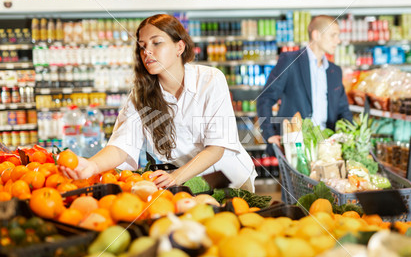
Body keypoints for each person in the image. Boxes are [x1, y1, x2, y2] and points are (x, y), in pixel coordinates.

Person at [60, 14, 256, 192]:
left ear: (179, 47)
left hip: (230, 178)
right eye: (143, 45)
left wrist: (175, 176)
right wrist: (92, 166)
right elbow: (122, 145)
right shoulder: (141, 94)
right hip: (188, 181)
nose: (147, 52)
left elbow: (216, 148)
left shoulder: (210, 80)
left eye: (156, 43)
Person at [256, 15, 353, 155]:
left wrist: (349, 137)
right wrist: (269, 133)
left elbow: (343, 110)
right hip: (295, 148)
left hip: (327, 148)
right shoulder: (290, 60)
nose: (338, 40)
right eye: (333, 35)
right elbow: (265, 98)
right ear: (316, 35)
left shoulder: (335, 71)